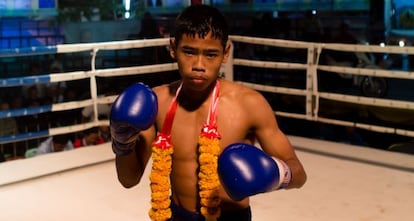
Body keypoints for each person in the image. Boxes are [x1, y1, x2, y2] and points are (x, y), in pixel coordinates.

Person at [110, 5, 306, 221]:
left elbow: (299, 174)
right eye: (189, 51)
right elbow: (128, 179)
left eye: (211, 54)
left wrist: (276, 173)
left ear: (226, 53)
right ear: (173, 48)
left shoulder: (249, 105)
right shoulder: (158, 103)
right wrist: (122, 142)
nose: (199, 65)